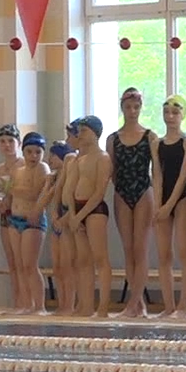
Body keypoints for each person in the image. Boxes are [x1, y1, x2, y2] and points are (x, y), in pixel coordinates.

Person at [109, 88, 158, 318]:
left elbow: (157, 171)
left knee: (141, 248)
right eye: (128, 107)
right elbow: (112, 172)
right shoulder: (113, 139)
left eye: (136, 107)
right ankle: (137, 305)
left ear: (141, 108)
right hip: (121, 192)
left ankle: (135, 303)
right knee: (128, 249)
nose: (132, 111)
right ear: (122, 108)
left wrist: (158, 200)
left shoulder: (150, 136)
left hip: (143, 191)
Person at [152, 96, 186, 318]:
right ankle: (169, 306)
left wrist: (169, 205)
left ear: (182, 116)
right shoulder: (156, 144)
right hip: (163, 201)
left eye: (175, 113)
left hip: (182, 201)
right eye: (166, 112)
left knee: (184, 253)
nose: (170, 117)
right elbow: (157, 175)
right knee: (163, 255)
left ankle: (183, 307)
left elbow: (183, 177)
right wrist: (158, 204)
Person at [63, 116, 113, 318]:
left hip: (95, 211)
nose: (80, 134)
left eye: (84, 131)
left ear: (95, 133)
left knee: (100, 259)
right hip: (77, 210)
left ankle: (103, 308)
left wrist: (80, 215)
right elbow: (69, 190)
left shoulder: (103, 158)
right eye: (79, 131)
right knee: (82, 261)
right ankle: (86, 306)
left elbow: (99, 191)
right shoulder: (78, 160)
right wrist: (73, 215)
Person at [9, 132, 53, 314]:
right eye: (29, 152)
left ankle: (39, 306)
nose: (34, 156)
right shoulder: (17, 171)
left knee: (30, 264)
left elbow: (35, 193)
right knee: (20, 264)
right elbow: (8, 193)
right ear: (23, 151)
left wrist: (14, 189)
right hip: (14, 220)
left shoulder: (43, 168)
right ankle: (26, 305)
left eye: (38, 152)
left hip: (32, 222)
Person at [0, 124, 24, 311]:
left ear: (18, 143)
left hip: (23, 216)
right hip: (6, 216)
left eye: (10, 141)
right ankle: (17, 302)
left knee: (24, 262)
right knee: (12, 261)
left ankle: (28, 302)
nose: (7, 145)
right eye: (3, 142)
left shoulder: (25, 165)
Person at [46, 140, 75, 312]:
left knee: (67, 266)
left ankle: (69, 305)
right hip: (55, 222)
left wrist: (62, 219)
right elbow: (45, 201)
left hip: (66, 223)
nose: (49, 159)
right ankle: (62, 303)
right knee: (57, 266)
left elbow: (73, 204)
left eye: (53, 156)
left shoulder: (71, 174)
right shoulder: (53, 177)